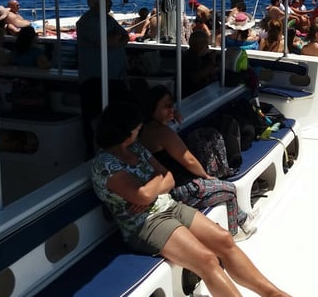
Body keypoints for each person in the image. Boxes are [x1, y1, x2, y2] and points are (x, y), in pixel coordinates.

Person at [91, 101, 288, 297]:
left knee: (225, 239)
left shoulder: (136, 150)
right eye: (136, 126)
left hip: (170, 206)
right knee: (207, 260)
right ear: (126, 131)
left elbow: (169, 179)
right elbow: (144, 194)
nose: (140, 128)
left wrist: (154, 187)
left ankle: (273, 294)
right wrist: (155, 183)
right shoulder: (104, 164)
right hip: (146, 223)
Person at [139, 85, 256, 239]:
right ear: (151, 109)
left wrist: (168, 116)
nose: (171, 109)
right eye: (166, 106)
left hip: (171, 188)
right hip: (184, 189)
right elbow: (188, 160)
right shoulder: (163, 133)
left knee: (223, 188)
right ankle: (235, 233)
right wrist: (205, 176)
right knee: (230, 189)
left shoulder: (144, 131)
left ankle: (244, 219)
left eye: (172, 105)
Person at [76, 0, 130, 157]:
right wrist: (115, 39)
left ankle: (115, 152)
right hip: (95, 80)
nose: (111, 2)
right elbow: (109, 42)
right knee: (94, 122)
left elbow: (124, 36)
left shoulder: (108, 20)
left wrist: (116, 39)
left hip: (114, 78)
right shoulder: (86, 22)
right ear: (94, 2)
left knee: (116, 119)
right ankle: (93, 156)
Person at [182, 30, 217, 97]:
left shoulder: (195, 56)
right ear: (199, 45)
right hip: (191, 95)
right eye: (206, 44)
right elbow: (196, 78)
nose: (207, 47)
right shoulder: (190, 58)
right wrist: (212, 62)